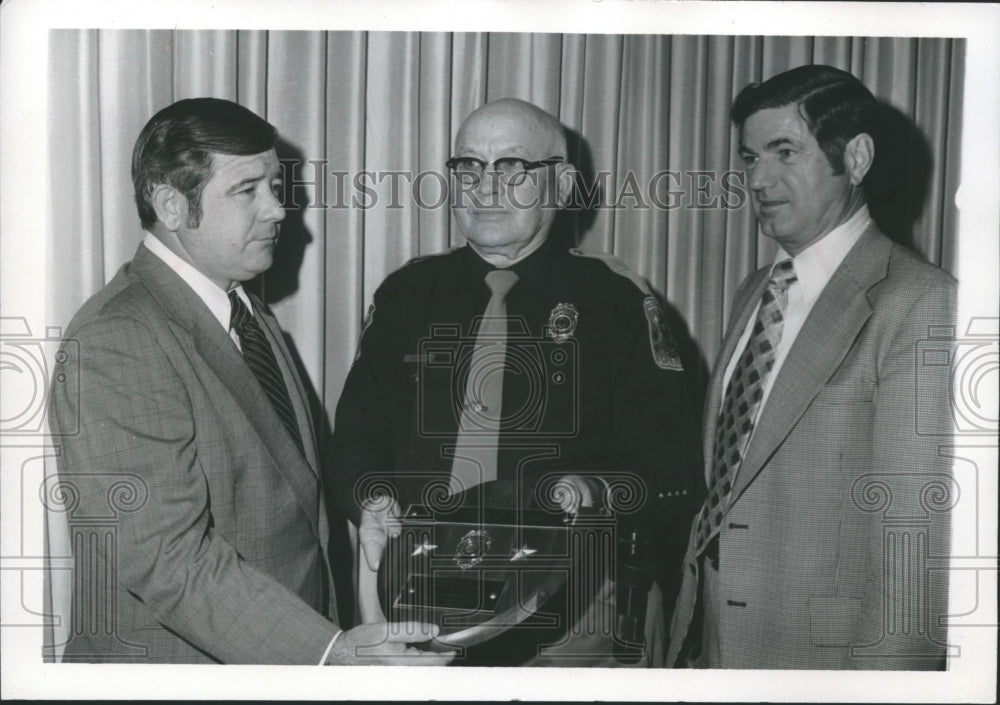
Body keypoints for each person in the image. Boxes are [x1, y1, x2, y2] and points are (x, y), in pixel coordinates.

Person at [47, 98, 451, 665]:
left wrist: (371, 510)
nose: (278, 209)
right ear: (171, 204)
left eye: (275, 186)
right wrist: (328, 651)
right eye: (247, 190)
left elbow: (287, 493)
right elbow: (166, 557)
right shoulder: (119, 340)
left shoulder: (245, 310)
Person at [328, 98, 702, 666]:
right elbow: (356, 433)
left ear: (562, 183)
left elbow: (672, 458)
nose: (485, 188)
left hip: (570, 613)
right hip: (418, 600)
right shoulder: (408, 295)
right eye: (469, 168)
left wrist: (594, 489)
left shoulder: (615, 300)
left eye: (512, 168)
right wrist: (371, 497)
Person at [666, 65, 955, 669]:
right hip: (716, 646)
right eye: (749, 157)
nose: (759, 179)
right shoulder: (755, 290)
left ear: (855, 158)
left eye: (784, 152)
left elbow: (913, 550)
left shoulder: (922, 302)